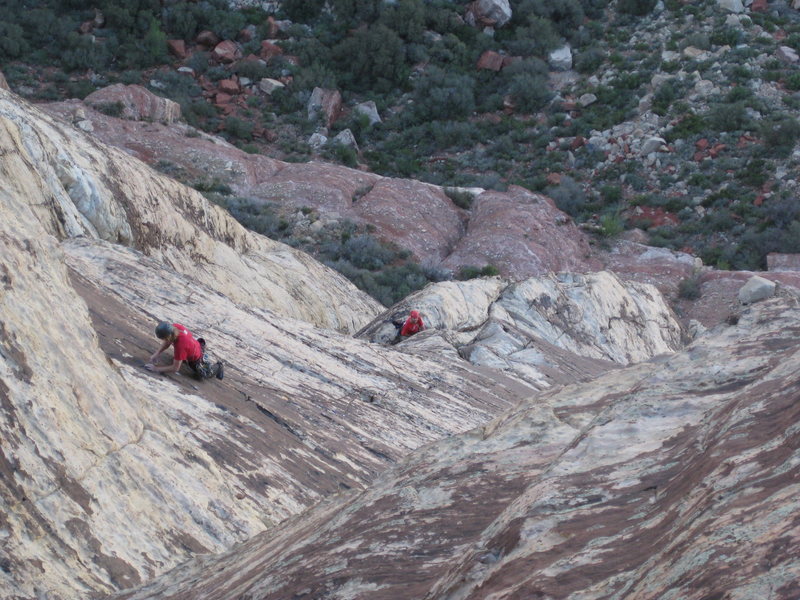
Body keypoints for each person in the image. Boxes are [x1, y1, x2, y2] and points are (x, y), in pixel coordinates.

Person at [145, 322, 223, 380]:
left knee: (203, 375)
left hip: (196, 358)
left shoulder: (180, 346)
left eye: (163, 338)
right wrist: (157, 353)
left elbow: (175, 368)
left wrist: (156, 369)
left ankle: (219, 366)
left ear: (168, 337)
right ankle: (185, 357)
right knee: (177, 358)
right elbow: (168, 342)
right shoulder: (175, 327)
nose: (164, 340)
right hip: (193, 345)